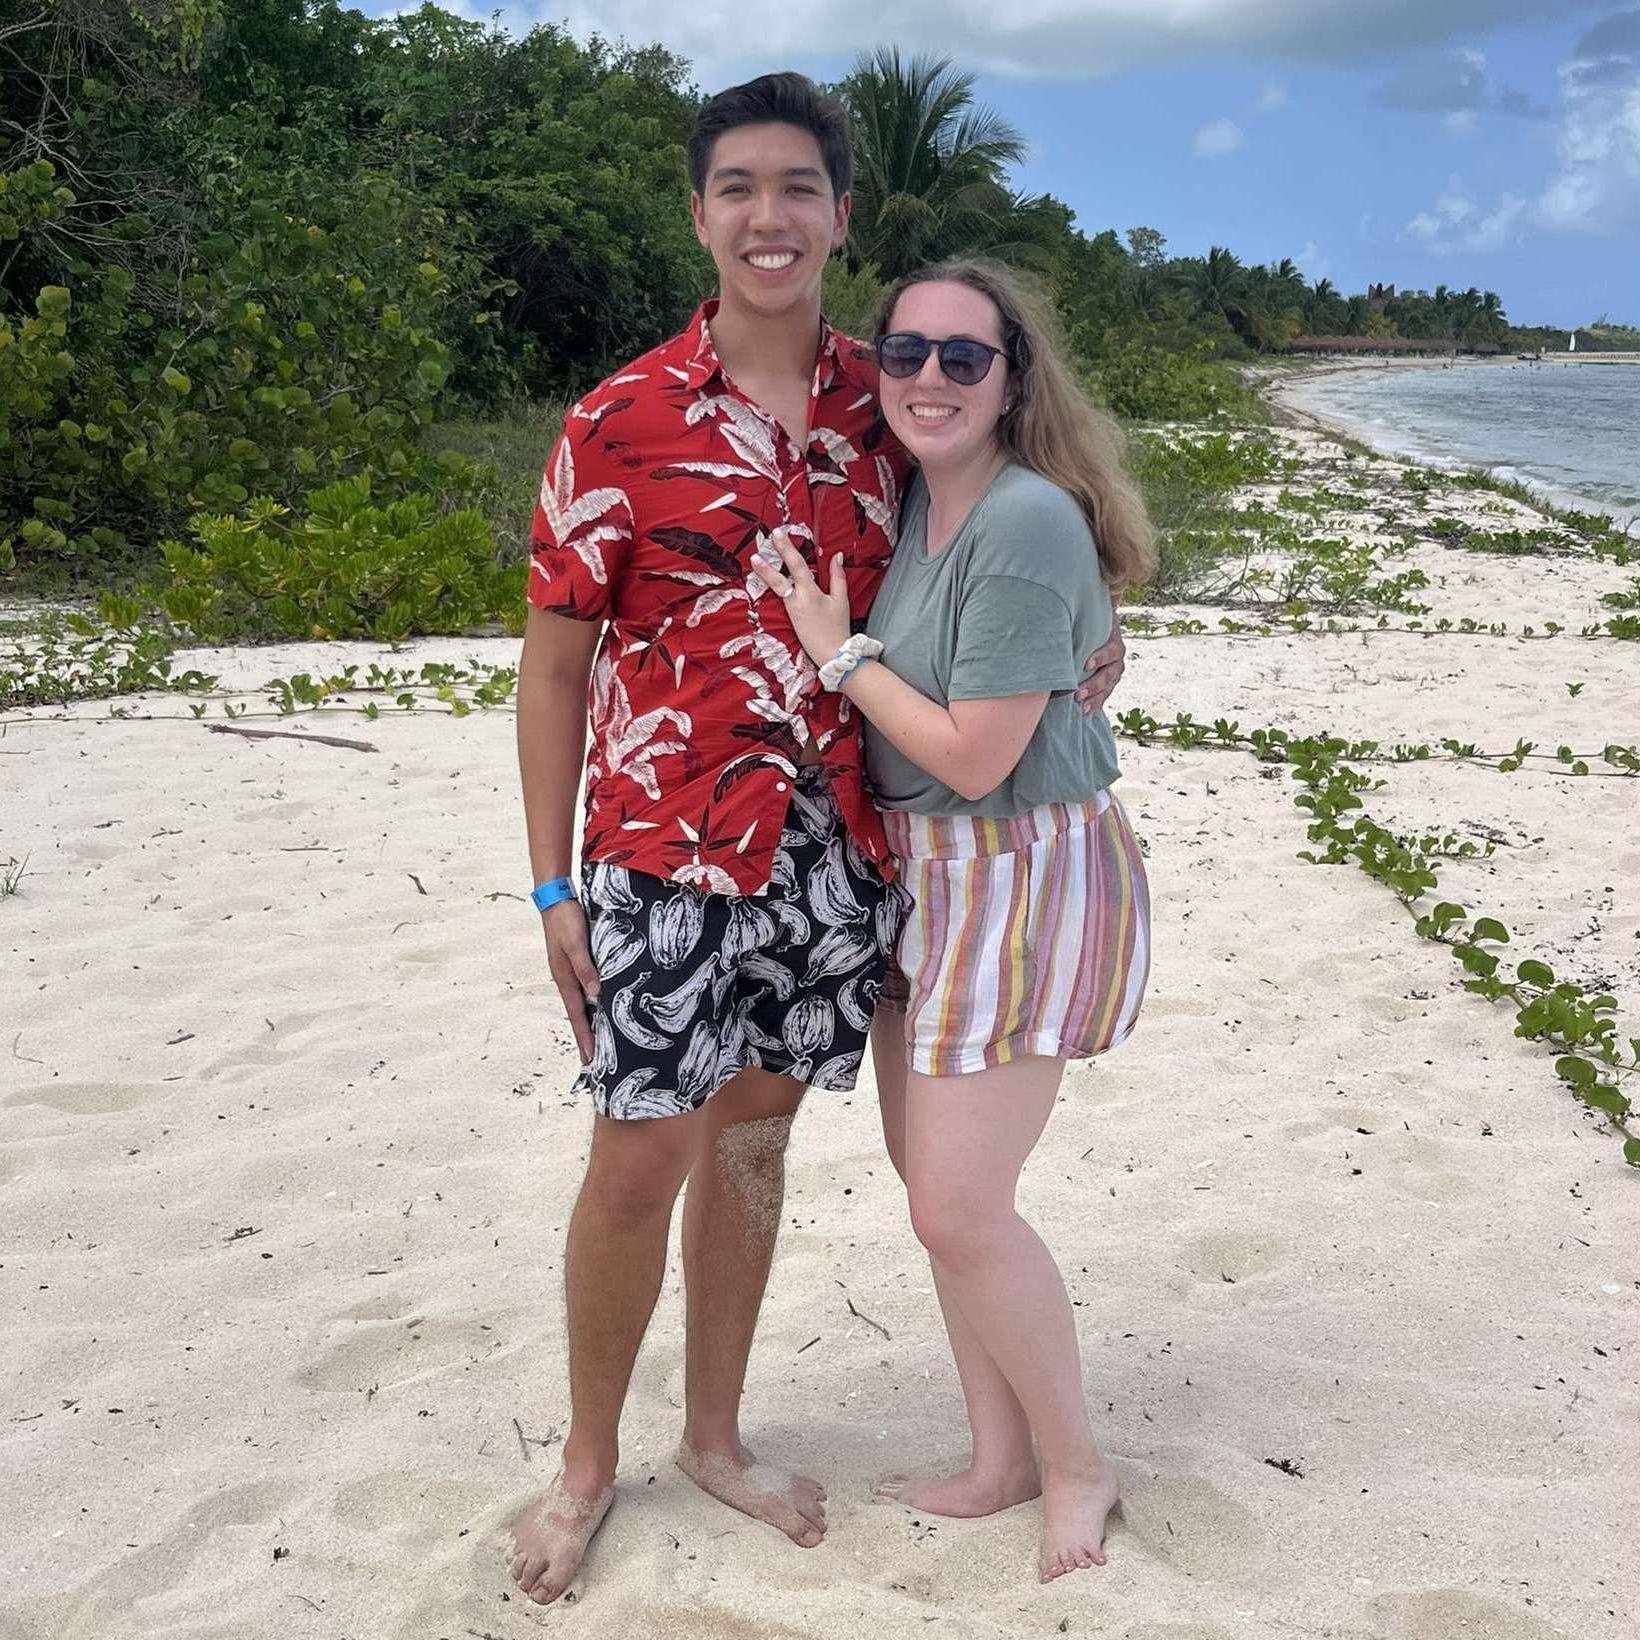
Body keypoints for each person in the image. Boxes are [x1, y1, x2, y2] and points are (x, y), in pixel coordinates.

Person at [508, 76, 1127, 1606]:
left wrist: (1098, 639)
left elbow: (1016, 528)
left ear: (841, 215)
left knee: (758, 1149)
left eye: (799, 188)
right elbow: (554, 665)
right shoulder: (620, 419)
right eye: (738, 188)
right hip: (661, 849)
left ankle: (715, 1435)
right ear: (701, 214)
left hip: (839, 854)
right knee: (640, 1159)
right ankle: (589, 1463)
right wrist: (549, 882)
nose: (768, 216)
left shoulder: (896, 394)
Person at [750, 257, 1154, 1583]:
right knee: (943, 1202)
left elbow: (980, 757)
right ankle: (996, 1458)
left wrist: (837, 651)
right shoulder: (912, 500)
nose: (929, 377)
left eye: (963, 358)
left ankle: (1074, 1463)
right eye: (906, 352)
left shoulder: (1022, 519)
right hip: (922, 877)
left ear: (1011, 380)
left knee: (959, 1205)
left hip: (1019, 872)